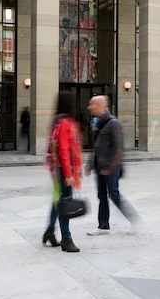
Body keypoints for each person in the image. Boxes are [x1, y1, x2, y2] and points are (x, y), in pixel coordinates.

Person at [86, 95, 140, 235]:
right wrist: (89, 165)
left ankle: (133, 219)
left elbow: (118, 148)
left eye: (91, 104)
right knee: (102, 196)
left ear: (99, 106)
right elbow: (96, 146)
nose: (89, 107)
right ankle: (103, 226)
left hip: (110, 167)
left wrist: (109, 167)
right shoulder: (98, 122)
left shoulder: (113, 123)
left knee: (114, 194)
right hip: (99, 166)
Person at [43, 93, 82, 253]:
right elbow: (64, 150)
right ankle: (66, 238)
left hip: (57, 168)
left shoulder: (57, 121)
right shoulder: (65, 122)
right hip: (63, 169)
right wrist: (68, 174)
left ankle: (50, 231)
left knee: (58, 201)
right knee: (65, 202)